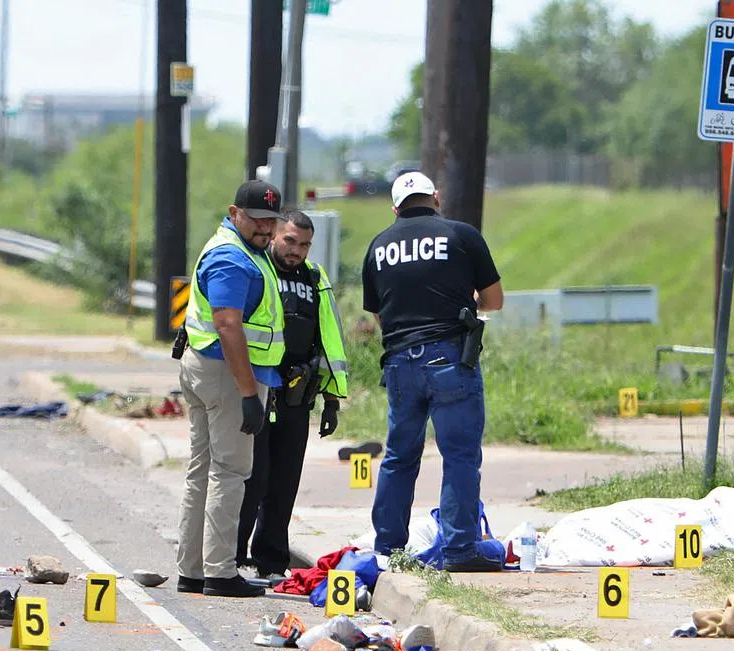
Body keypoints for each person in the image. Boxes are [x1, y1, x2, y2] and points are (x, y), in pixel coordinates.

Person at [361, 172, 504, 572]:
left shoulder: (378, 247)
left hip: (400, 361)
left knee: (399, 457)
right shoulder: (461, 236)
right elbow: (494, 300)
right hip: (449, 358)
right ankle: (460, 548)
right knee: (459, 455)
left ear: (395, 208)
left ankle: (388, 549)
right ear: (435, 198)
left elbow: (380, 313)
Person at [175, 180, 286, 598]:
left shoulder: (241, 249)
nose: (265, 229)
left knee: (202, 469)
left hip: (209, 369)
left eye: (271, 221)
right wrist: (246, 393)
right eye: (257, 219)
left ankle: (193, 569)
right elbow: (227, 324)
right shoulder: (232, 259)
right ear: (234, 212)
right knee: (230, 470)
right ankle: (219, 572)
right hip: (227, 374)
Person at [236, 209, 348, 580]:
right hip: (257, 385)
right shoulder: (257, 268)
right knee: (252, 476)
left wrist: (331, 399)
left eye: (304, 245)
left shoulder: (314, 278)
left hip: (298, 393)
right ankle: (232, 556)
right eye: (290, 241)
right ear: (275, 234)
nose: (296, 250)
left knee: (284, 481)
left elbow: (329, 338)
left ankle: (271, 561)